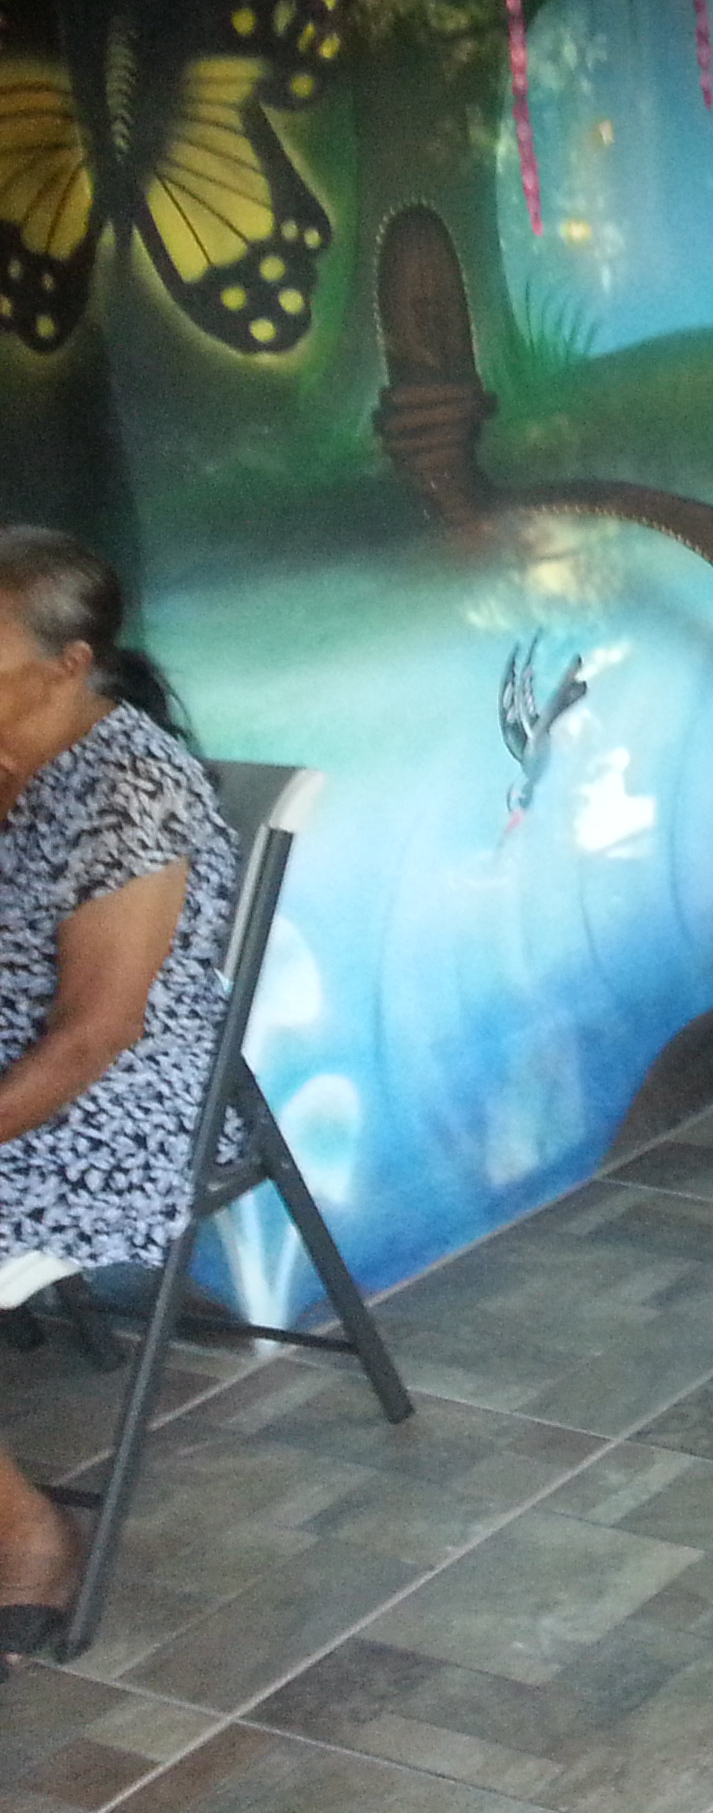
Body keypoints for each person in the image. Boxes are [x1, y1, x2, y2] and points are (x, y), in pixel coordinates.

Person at [0, 530, 239, 1666]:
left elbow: (96, 1035)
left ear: (68, 663)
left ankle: (30, 1533)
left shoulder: (128, 788)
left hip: (102, 1109)